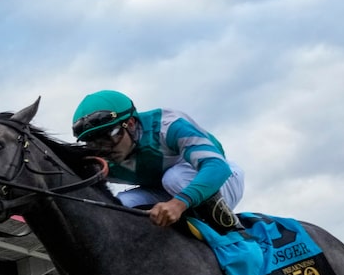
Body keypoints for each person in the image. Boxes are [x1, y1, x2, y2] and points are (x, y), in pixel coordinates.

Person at [71, 90, 245, 233]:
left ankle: (232, 233)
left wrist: (179, 204)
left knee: (174, 178)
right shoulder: (100, 160)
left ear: (130, 123)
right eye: (94, 143)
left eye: (109, 137)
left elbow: (218, 167)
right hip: (165, 190)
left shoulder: (169, 126)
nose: (105, 149)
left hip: (222, 180)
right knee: (123, 204)